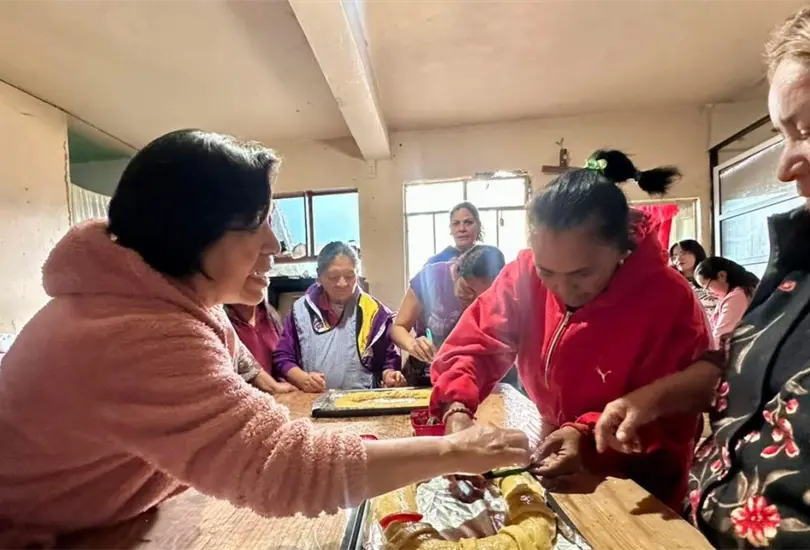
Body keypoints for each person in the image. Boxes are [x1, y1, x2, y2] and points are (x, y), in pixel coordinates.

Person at [0, 130, 531, 548]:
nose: (276, 243)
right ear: (193, 232)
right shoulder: (134, 332)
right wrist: (454, 450)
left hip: (107, 516)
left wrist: (281, 393)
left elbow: (244, 370)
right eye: (258, 221)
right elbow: (288, 471)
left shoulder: (164, 299)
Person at [594, 9, 810, 548]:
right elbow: (738, 376)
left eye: (805, 131)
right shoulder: (793, 272)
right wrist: (650, 400)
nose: (785, 167)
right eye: (783, 134)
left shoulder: (665, 291)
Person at [430, 149, 712, 511]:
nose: (562, 290)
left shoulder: (668, 298)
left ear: (621, 247)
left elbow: (669, 408)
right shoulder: (525, 273)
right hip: (560, 445)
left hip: (639, 476)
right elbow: (474, 345)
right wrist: (457, 411)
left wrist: (588, 435)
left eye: (582, 274)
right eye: (548, 272)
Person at [273, 241, 406, 392]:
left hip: (362, 401)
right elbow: (283, 356)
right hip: (313, 401)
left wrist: (389, 375)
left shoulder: (374, 312)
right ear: (319, 276)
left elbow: (388, 359)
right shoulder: (301, 311)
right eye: (333, 276)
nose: (342, 283)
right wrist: (302, 379)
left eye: (350, 276)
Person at [391, 245, 506, 386]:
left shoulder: (499, 297)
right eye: (467, 290)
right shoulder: (431, 278)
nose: (472, 300)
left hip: (469, 378)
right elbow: (398, 328)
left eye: (482, 297)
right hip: (425, 377)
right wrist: (412, 344)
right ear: (457, 272)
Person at [225, 297, 296, 394]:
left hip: (277, 398)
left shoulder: (269, 315)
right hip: (242, 399)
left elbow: (282, 359)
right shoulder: (220, 321)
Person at [694, 257, 759, 347]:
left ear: (722, 276)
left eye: (707, 286)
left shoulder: (736, 297)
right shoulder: (741, 291)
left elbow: (721, 336)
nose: (708, 292)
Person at [670, 239, 718, 315]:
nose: (679, 259)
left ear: (696, 253)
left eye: (684, 253)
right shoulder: (673, 283)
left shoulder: (713, 278)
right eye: (675, 256)